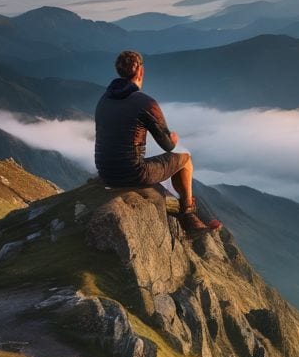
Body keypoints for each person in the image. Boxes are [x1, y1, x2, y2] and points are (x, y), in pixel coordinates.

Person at [94, 50, 220, 233]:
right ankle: (188, 213)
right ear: (140, 71)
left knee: (158, 163)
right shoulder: (145, 103)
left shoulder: (104, 100)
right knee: (185, 159)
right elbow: (167, 145)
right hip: (134, 173)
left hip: (105, 172)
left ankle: (183, 209)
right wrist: (174, 137)